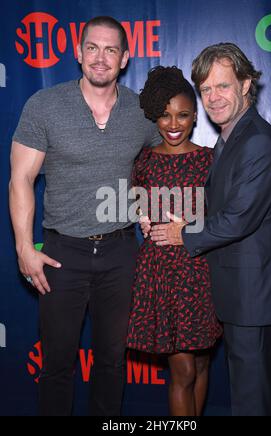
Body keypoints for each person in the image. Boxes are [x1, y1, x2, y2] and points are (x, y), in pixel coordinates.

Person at [9, 16, 160, 416]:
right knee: (57, 366)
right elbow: (20, 179)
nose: (100, 58)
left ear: (125, 58)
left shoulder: (142, 111)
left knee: (112, 363)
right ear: (78, 53)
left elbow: (165, 164)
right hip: (62, 255)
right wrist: (24, 247)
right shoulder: (44, 105)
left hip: (122, 254)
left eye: (111, 50)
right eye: (92, 47)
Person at [143, 44, 271, 416]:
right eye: (206, 89)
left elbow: (239, 218)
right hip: (237, 295)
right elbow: (225, 203)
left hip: (253, 298)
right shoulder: (231, 138)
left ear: (246, 84)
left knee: (252, 403)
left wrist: (183, 234)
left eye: (223, 86)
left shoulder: (256, 140)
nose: (213, 97)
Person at [126, 66, 222, 416]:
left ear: (196, 115)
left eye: (182, 114)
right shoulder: (145, 160)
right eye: (164, 115)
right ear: (155, 116)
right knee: (181, 370)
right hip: (162, 274)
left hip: (202, 273)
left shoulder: (211, 160)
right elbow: (133, 196)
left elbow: (227, 214)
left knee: (201, 366)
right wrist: (140, 211)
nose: (173, 123)